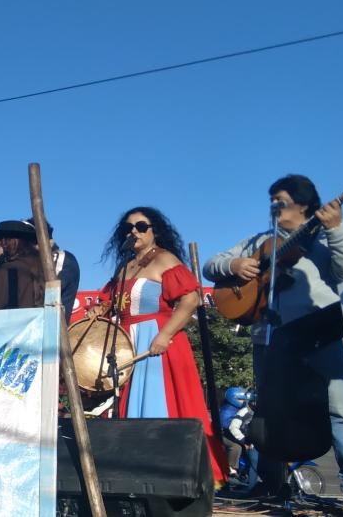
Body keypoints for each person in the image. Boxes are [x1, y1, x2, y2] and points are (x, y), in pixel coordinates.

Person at [203, 174, 343, 504]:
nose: (273, 206)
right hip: (269, 335)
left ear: (304, 204)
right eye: (271, 201)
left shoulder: (323, 236)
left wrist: (337, 228)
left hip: (317, 330)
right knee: (270, 410)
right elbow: (211, 265)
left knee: (337, 406)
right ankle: (271, 482)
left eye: (279, 200)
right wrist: (235, 263)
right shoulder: (259, 241)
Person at [100, 207, 228, 486]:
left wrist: (165, 334)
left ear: (154, 230)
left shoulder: (165, 260)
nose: (133, 231)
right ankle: (136, 470)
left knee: (162, 404)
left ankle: (170, 472)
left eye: (141, 226)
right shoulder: (125, 267)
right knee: (130, 406)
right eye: (128, 227)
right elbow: (107, 302)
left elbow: (191, 299)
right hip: (128, 344)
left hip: (158, 340)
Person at [220, 387, 258, 492]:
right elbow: (229, 426)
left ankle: (244, 474)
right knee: (236, 447)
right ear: (234, 399)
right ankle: (232, 470)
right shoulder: (227, 409)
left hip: (233, 435)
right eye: (241, 400)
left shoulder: (239, 409)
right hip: (224, 435)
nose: (243, 402)